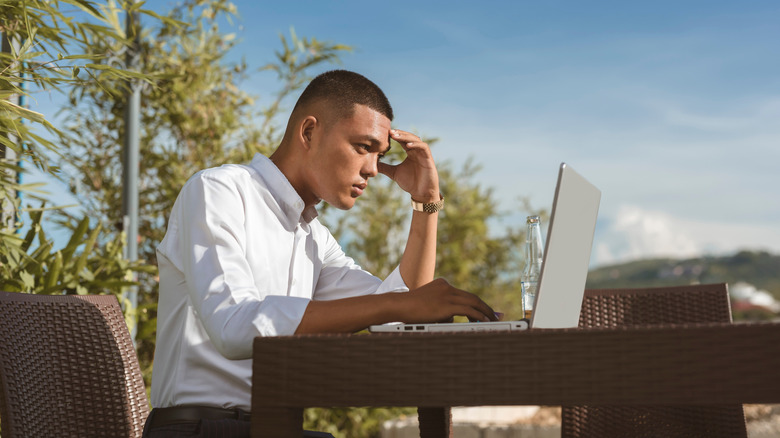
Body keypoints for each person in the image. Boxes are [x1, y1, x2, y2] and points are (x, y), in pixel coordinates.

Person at [143, 70, 497, 437]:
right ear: (309, 132)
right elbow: (234, 327)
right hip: (200, 428)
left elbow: (401, 320)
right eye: (363, 147)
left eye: (380, 155)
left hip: (277, 427)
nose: (373, 170)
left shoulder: (314, 236)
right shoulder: (219, 191)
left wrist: (426, 204)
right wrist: (401, 306)